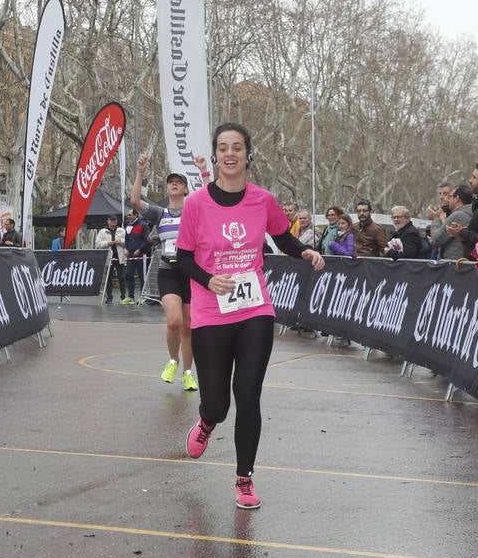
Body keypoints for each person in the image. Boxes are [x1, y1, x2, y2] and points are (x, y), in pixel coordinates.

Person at [175, 122, 326, 509]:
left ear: (247, 154)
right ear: (215, 155)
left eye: (237, 147)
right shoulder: (196, 204)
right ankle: (207, 421)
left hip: (254, 308)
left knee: (248, 393)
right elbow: (184, 257)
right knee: (219, 404)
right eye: (223, 147)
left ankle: (245, 478)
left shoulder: (263, 200)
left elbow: (283, 236)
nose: (230, 154)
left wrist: (303, 252)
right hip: (211, 311)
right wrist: (209, 281)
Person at [131, 153, 210, 392]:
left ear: (186, 189)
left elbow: (210, 199)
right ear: (167, 189)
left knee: (188, 325)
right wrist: (141, 172)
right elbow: (134, 201)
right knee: (174, 321)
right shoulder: (159, 213)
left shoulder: (194, 209)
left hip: (191, 273)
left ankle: (187, 372)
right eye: (171, 182)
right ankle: (173, 360)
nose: (174, 184)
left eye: (179, 182)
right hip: (168, 271)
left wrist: (203, 171)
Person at [430, 186, 474, 260]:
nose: (447, 199)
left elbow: (436, 239)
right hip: (462, 260)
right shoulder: (470, 213)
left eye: (450, 196)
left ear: (457, 199)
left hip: (453, 262)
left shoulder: (457, 215)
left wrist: (436, 219)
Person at [122, 207, 152, 305]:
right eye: (127, 215)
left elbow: (148, 240)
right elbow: (126, 239)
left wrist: (140, 250)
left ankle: (144, 296)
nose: (128, 216)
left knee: (142, 276)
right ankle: (131, 297)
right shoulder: (127, 225)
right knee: (128, 275)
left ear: (136, 215)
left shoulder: (143, 225)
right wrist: (125, 248)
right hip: (130, 255)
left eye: (130, 215)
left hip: (141, 255)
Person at [95, 215, 127, 303]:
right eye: (111, 220)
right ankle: (109, 297)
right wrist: (109, 243)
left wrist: (120, 241)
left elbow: (128, 241)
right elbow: (97, 244)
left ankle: (123, 297)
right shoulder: (102, 231)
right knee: (109, 278)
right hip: (108, 258)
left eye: (115, 220)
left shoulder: (121, 230)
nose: (113, 221)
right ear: (108, 221)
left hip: (119, 257)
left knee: (122, 278)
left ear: (117, 221)